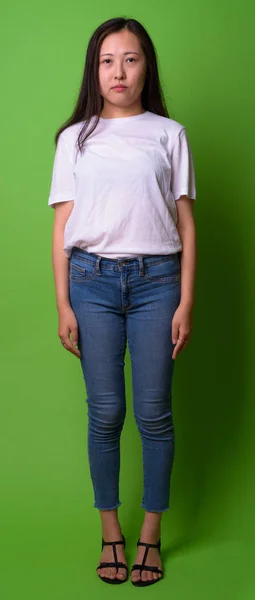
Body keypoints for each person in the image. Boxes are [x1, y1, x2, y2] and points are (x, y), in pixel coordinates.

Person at [47, 16, 197, 587]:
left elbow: (187, 222)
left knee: (154, 415)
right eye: (109, 60)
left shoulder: (169, 133)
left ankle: (151, 536)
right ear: (95, 68)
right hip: (92, 283)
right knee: (106, 413)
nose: (119, 71)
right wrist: (63, 302)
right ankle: (111, 532)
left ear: (145, 67)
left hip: (159, 282)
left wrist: (186, 300)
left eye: (131, 59)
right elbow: (63, 225)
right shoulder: (75, 138)